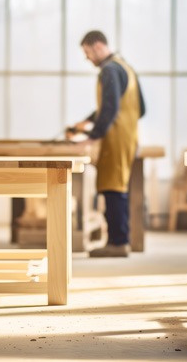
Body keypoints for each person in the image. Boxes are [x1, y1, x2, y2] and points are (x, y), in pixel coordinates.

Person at [68, 31, 145, 258]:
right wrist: (89, 120)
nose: (88, 58)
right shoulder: (125, 68)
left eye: (88, 53)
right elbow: (140, 108)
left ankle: (117, 243)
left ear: (99, 46)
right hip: (128, 136)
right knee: (117, 187)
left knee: (112, 189)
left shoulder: (108, 70)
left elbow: (110, 108)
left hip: (114, 137)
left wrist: (92, 136)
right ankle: (118, 239)